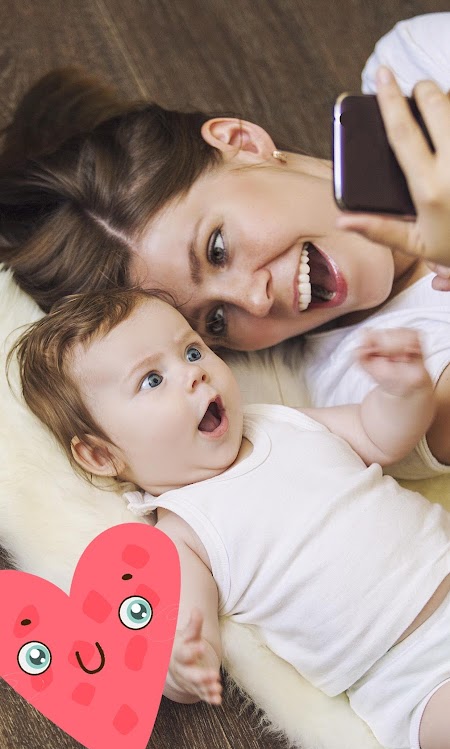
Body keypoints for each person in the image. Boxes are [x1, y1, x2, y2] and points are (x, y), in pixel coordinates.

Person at [9, 285, 450, 749]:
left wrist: (403, 393)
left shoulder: (280, 421)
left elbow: (377, 436)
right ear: (101, 455)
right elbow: (187, 635)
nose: (193, 372)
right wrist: (182, 663)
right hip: (408, 674)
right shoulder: (182, 533)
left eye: (192, 351)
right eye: (152, 379)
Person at [1, 14, 450, 477]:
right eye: (215, 321)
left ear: (242, 142)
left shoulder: (412, 67)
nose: (255, 300)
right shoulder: (375, 389)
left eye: (217, 250)